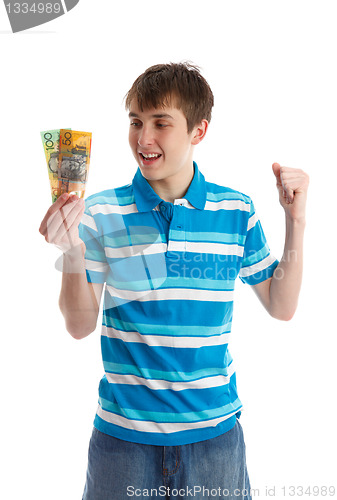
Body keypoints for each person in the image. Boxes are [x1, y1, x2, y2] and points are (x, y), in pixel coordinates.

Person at [39, 62, 309, 500]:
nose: (143, 139)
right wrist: (71, 252)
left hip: (214, 443)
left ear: (198, 131)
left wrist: (295, 220)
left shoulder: (236, 211)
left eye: (161, 123)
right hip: (122, 443)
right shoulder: (102, 213)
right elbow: (78, 325)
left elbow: (282, 306)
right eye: (135, 122)